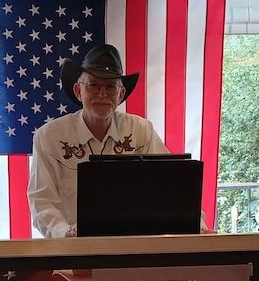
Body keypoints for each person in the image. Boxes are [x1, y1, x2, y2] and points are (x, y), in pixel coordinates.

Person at [28, 43, 170, 238]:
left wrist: (199, 227)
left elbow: (169, 187)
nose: (102, 94)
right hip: (72, 251)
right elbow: (42, 202)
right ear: (78, 91)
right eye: (93, 85)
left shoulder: (141, 132)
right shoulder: (49, 138)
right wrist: (66, 232)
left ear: (121, 95)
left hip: (132, 249)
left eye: (111, 87)